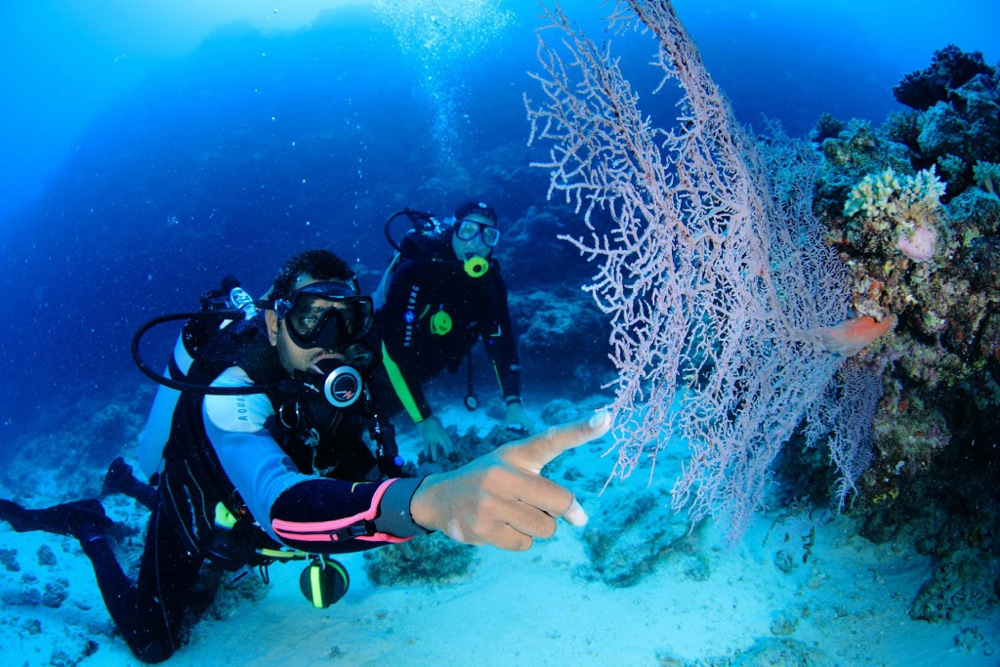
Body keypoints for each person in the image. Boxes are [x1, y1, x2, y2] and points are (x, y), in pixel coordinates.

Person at [0, 249, 610, 663]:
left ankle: (132, 493)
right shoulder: (233, 388)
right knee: (154, 640)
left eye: (346, 322)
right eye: (311, 321)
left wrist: (440, 484)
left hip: (256, 518)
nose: (331, 344)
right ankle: (89, 526)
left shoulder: (353, 377)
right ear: (272, 325)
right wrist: (427, 503)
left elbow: (373, 473)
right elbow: (280, 504)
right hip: (209, 495)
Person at [375, 201, 535, 461]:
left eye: (489, 235)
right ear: (454, 230)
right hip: (384, 367)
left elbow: (502, 345)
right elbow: (392, 352)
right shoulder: (416, 272)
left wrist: (513, 403)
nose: (477, 243)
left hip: (426, 368)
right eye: (469, 230)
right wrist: (424, 419)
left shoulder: (491, 284)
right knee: (371, 414)